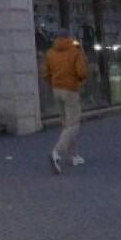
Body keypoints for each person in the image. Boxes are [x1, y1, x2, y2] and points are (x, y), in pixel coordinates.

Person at [41, 27, 88, 174]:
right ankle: (56, 152)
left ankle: (74, 156)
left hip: (57, 90)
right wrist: (79, 80)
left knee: (66, 124)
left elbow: (45, 73)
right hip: (71, 90)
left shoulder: (49, 53)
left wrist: (53, 83)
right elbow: (82, 72)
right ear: (69, 37)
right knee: (73, 125)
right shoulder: (75, 52)